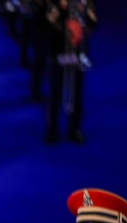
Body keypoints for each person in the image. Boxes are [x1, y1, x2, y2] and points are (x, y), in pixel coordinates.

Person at [41, 0, 95, 144]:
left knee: (77, 93)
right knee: (55, 93)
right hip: (57, 51)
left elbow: (91, 22)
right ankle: (52, 129)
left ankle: (74, 129)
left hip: (77, 51)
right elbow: (45, 22)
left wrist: (84, 16)